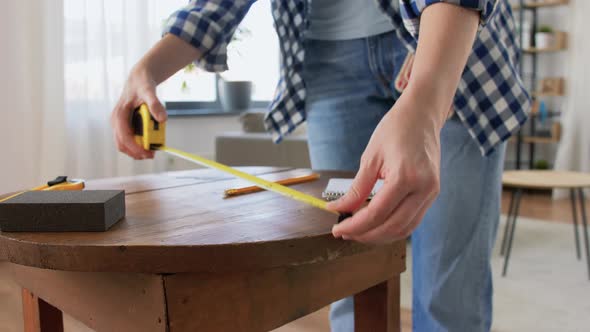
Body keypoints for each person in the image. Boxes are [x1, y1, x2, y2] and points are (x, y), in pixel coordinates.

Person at [111, 0, 530, 331]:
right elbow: (216, 5)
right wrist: (145, 69)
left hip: (452, 40)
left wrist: (427, 93)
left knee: (449, 288)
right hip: (329, 62)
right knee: (344, 269)